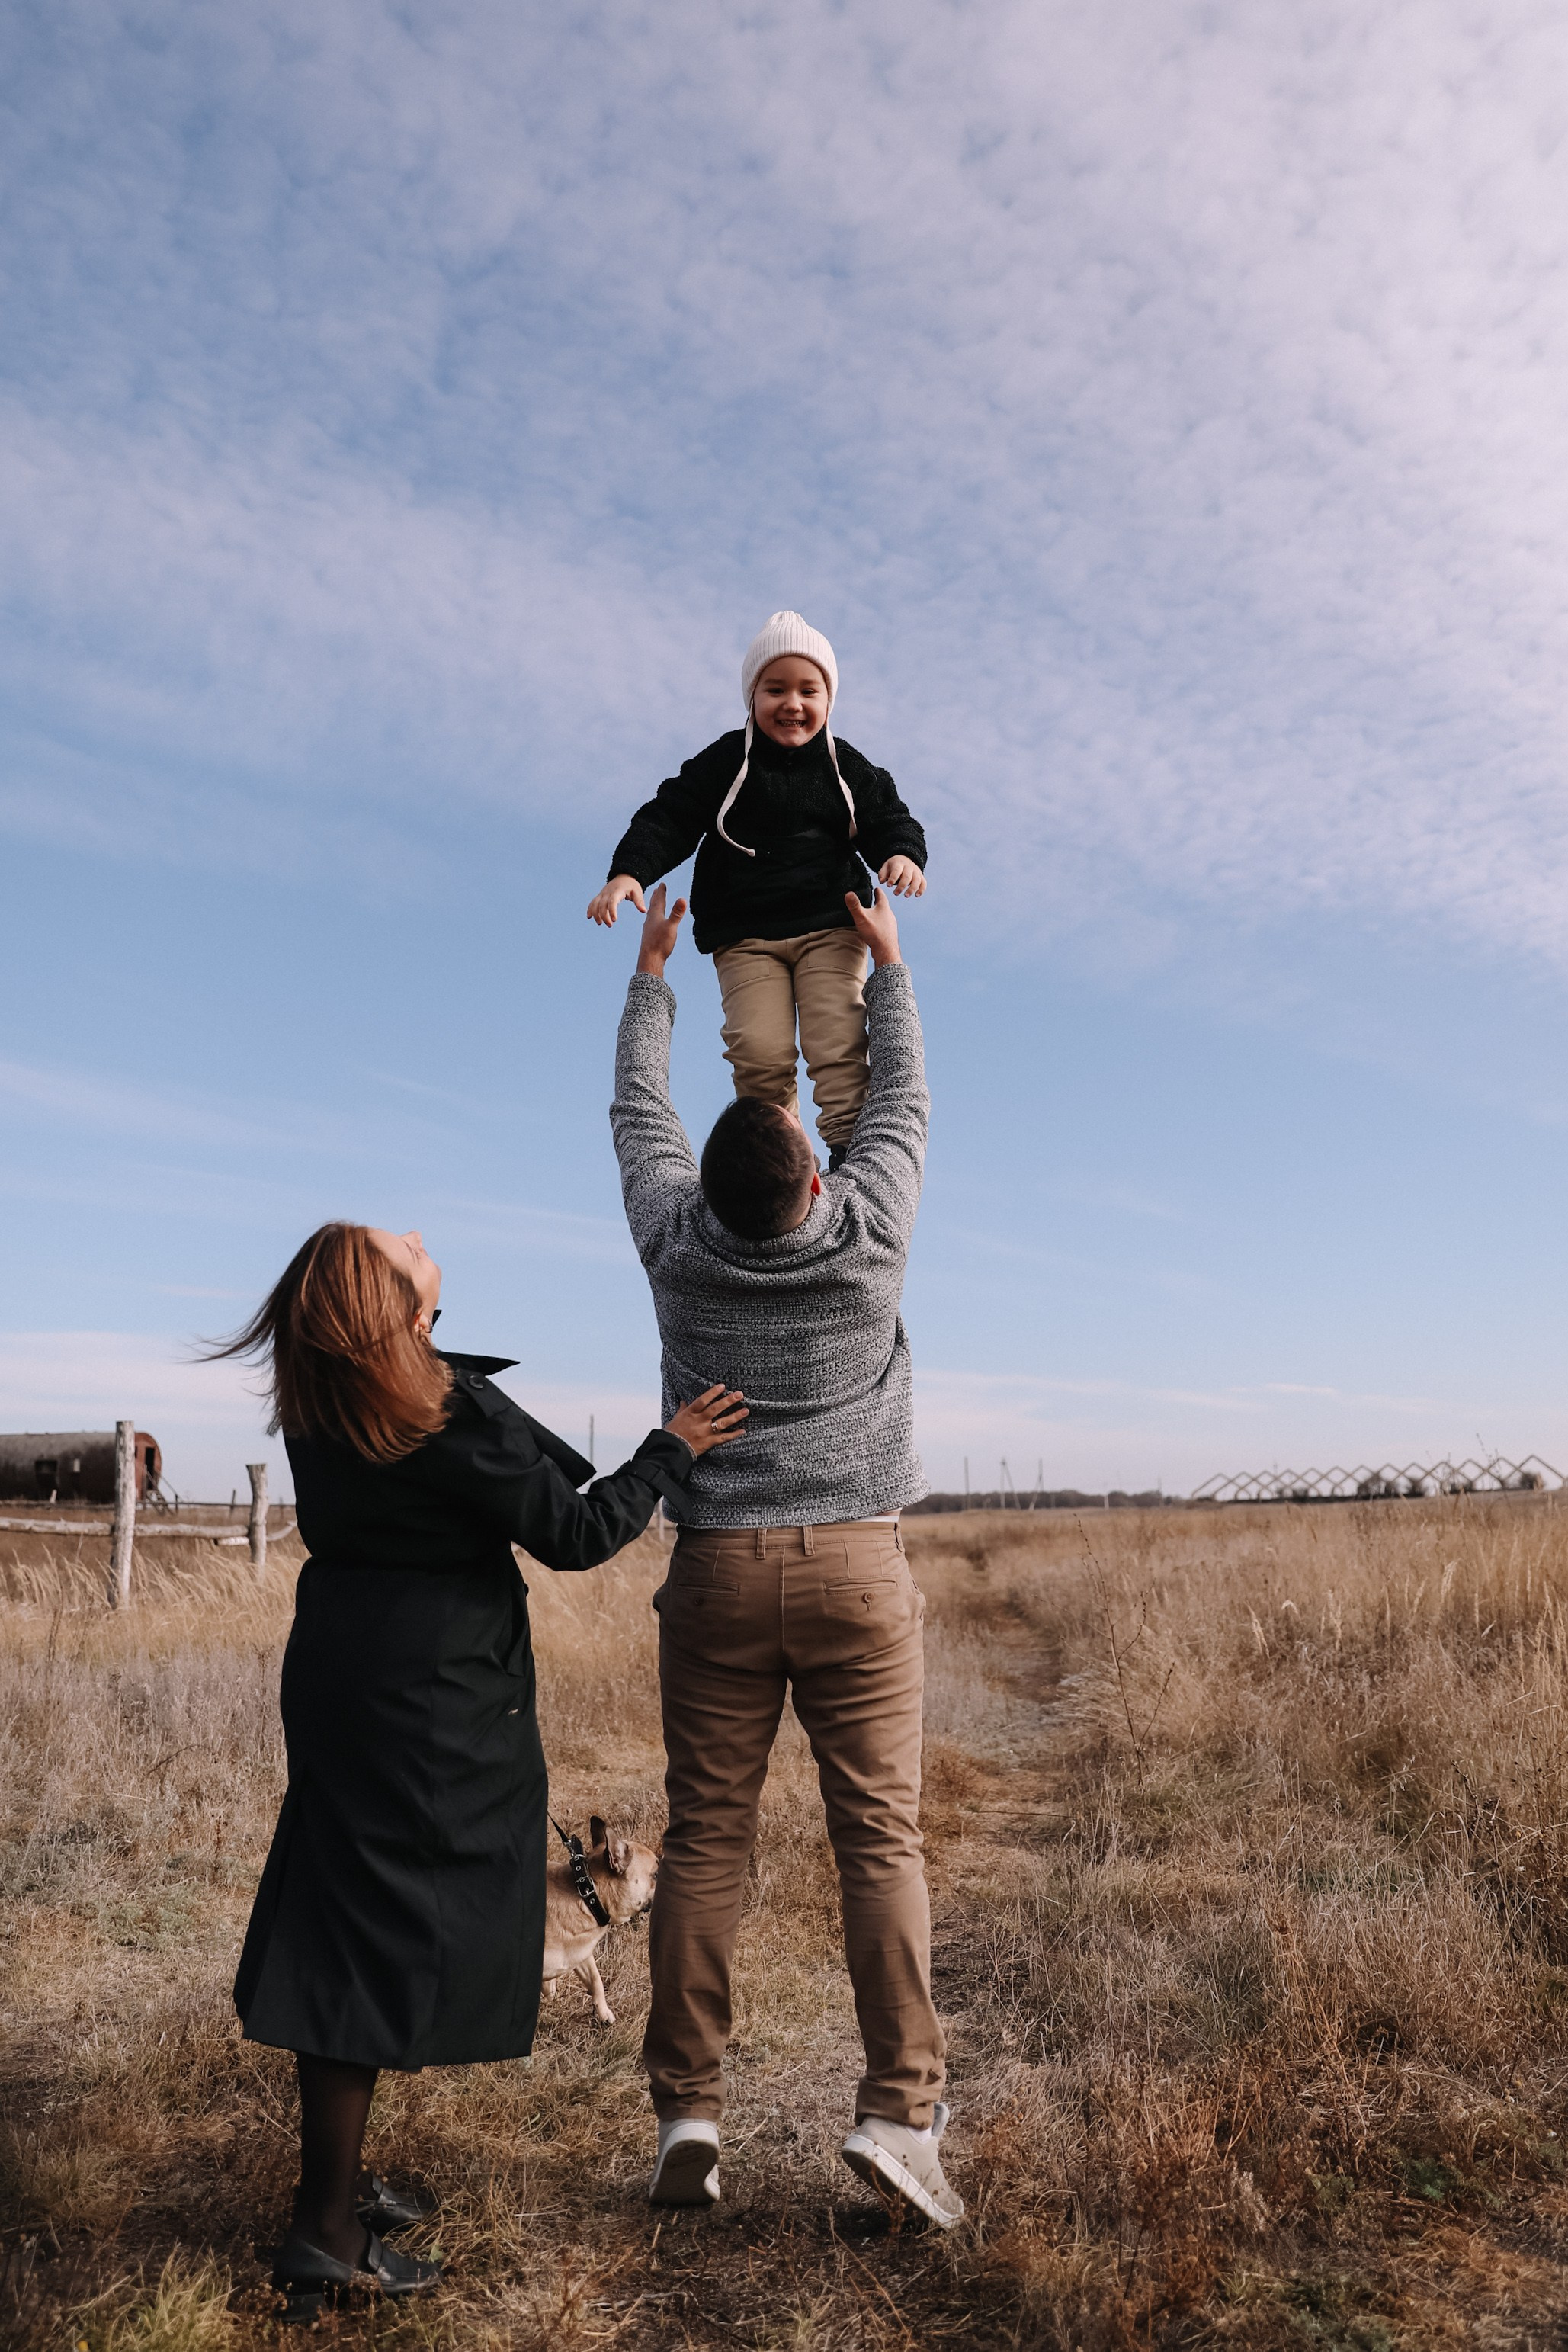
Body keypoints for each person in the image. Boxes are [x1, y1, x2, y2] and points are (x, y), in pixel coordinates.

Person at [210, 1222, 746, 2310]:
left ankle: (336, 2192)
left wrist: (427, 1342)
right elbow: (580, 1527)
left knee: (345, 1920)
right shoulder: (433, 1411)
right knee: (375, 1938)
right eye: (395, 1246)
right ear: (397, 1308)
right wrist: (673, 1446)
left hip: (347, 1680)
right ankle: (324, 2231)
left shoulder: (335, 1398)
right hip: (431, 1702)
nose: (413, 1232)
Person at [608, 881, 962, 2229]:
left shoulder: (675, 1247)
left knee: (706, 1838)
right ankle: (895, 2117)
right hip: (858, 1572)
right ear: (815, 1179)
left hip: (713, 1572)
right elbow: (902, 1106)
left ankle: (689, 2110)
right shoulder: (868, 1240)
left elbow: (638, 1112)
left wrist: (653, 975)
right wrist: (888, 969)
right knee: (879, 1838)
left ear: (707, 1187)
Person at [588, 611, 928, 1169]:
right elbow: (669, 815)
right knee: (758, 1050)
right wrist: (629, 873)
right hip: (745, 934)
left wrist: (900, 855)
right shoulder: (726, 761)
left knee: (837, 1041)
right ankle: (782, 1157)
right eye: (775, 689)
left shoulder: (844, 766)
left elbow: (887, 815)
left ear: (828, 698)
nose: (792, 702)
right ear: (752, 697)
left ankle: (847, 1151)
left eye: (807, 690)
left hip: (831, 924)